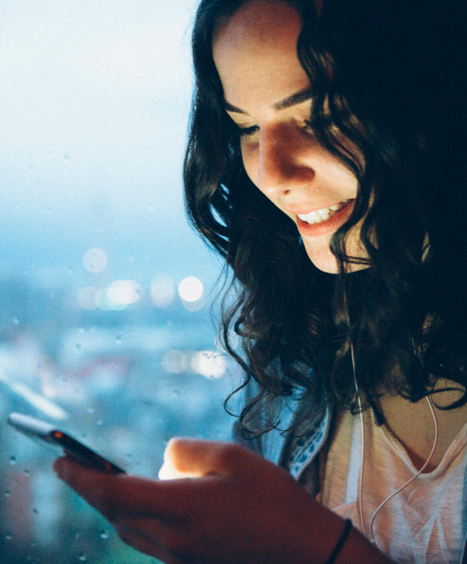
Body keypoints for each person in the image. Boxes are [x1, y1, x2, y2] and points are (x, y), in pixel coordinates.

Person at [54, 0, 467, 562]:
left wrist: (315, 549)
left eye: (322, 118)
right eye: (246, 126)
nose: (271, 172)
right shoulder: (306, 348)